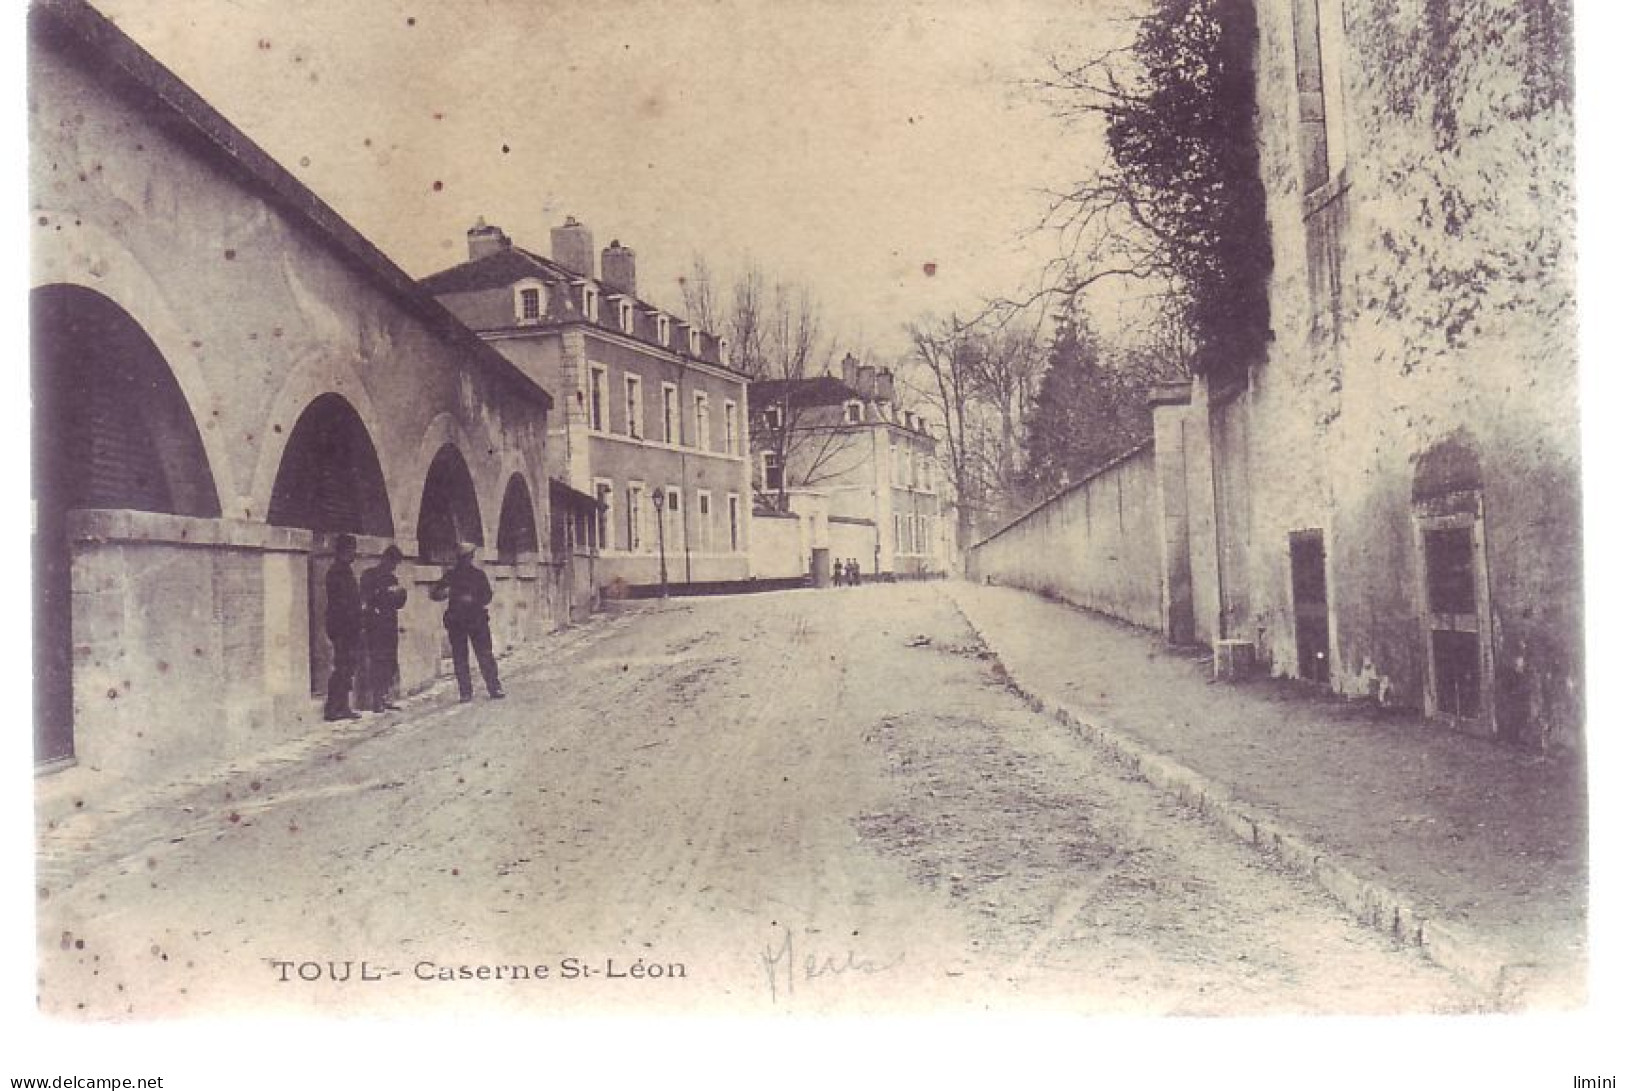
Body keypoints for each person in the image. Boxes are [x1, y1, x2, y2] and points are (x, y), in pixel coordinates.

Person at [429, 543, 505, 702]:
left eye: (467, 557)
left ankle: (494, 687)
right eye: (464, 557)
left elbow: (487, 596)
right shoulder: (451, 576)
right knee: (460, 657)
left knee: (484, 654)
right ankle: (465, 692)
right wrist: (445, 592)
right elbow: (434, 594)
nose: (466, 559)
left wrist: (472, 599)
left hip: (476, 619)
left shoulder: (478, 575)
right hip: (457, 621)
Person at [359, 544, 408, 713]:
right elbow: (365, 600)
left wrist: (401, 594)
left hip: (389, 625)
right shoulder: (369, 575)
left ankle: (386, 696)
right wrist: (384, 593)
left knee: (390, 662)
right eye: (393, 562)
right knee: (377, 661)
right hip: (375, 626)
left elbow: (399, 604)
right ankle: (376, 700)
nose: (393, 567)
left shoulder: (392, 579)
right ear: (385, 559)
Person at [323, 533, 363, 722]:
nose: (354, 553)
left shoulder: (345, 570)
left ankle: (343, 706)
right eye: (352, 549)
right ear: (344, 551)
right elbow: (341, 604)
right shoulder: (336, 572)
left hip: (349, 627)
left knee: (348, 667)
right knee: (342, 667)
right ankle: (332, 708)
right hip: (342, 628)